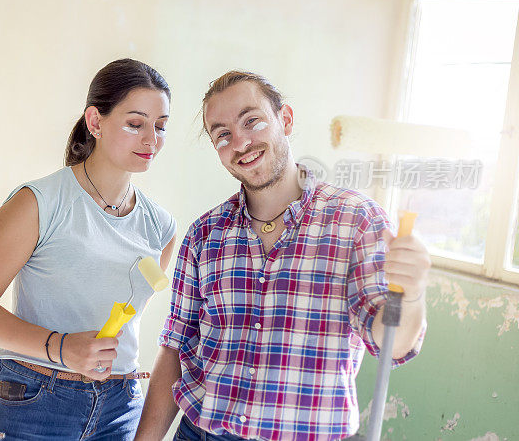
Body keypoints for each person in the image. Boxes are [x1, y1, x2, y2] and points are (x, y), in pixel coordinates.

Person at [134, 71, 430, 441]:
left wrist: (413, 292)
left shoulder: (357, 221)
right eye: (222, 134)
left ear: (285, 119)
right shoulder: (204, 235)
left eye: (252, 121)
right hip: (204, 432)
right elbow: (177, 347)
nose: (240, 142)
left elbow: (392, 344)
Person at [0, 58, 178, 440]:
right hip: (37, 401)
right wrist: (55, 349)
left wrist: (16, 342)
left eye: (160, 126)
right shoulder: (38, 203)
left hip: (120, 407)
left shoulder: (162, 227)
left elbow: (115, 320)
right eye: (135, 124)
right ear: (95, 122)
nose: (150, 140)